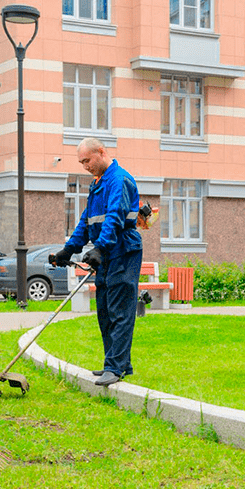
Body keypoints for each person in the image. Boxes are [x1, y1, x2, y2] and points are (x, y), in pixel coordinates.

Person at [52, 138, 143, 386]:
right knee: (105, 311)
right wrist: (69, 249)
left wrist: (100, 247)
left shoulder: (119, 180)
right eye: (81, 162)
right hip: (107, 253)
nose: (85, 166)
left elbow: (114, 216)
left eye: (87, 160)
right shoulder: (98, 184)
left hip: (122, 251)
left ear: (101, 152)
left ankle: (115, 367)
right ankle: (117, 363)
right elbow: (87, 220)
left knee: (119, 311)